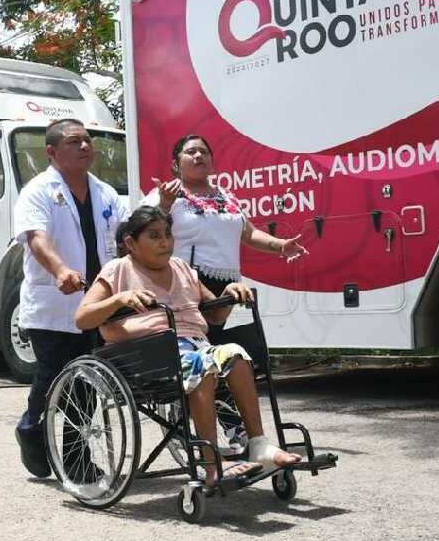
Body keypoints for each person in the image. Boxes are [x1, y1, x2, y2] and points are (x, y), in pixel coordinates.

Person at [75, 206, 301, 488]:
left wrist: (229, 296)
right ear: (131, 243)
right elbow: (82, 317)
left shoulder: (182, 268)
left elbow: (214, 314)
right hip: (149, 355)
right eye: (154, 236)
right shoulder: (118, 270)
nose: (165, 242)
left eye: (168, 235)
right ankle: (210, 465)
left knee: (236, 355)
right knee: (202, 366)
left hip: (196, 346)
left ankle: (258, 444)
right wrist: (119, 300)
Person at [142, 134, 308, 450]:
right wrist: (164, 203)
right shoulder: (166, 195)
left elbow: (248, 232)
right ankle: (234, 432)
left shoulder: (225, 196)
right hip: (188, 285)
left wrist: (280, 246)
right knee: (212, 356)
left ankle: (236, 431)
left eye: (204, 151)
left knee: (229, 353)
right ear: (176, 162)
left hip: (228, 289)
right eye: (191, 152)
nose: (199, 156)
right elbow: (141, 231)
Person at [12, 118, 130, 478]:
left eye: (87, 141)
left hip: (98, 302)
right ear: (51, 151)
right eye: (74, 141)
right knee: (52, 376)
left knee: (88, 384)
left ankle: (78, 463)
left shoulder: (105, 192)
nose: (85, 147)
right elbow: (37, 239)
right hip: (55, 303)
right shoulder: (38, 191)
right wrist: (61, 270)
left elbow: (127, 234)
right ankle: (32, 426)